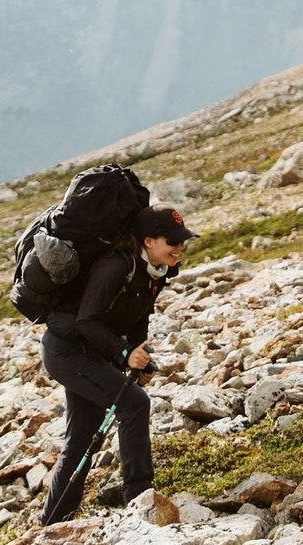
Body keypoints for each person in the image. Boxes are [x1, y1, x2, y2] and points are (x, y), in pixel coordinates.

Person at [39, 205, 194, 525]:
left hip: (93, 352)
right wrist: (124, 354)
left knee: (82, 436)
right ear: (149, 241)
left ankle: (53, 521)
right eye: (173, 241)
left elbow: (139, 314)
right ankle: (141, 499)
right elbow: (86, 322)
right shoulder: (115, 267)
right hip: (67, 351)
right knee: (134, 405)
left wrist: (139, 356)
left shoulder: (155, 272)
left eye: (182, 241)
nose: (180, 247)